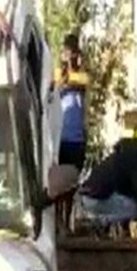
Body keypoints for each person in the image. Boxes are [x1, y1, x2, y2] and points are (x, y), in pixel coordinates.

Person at [55, 32, 89, 230]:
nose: (71, 56)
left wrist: (70, 70)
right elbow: (56, 86)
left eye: (74, 53)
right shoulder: (58, 74)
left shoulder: (81, 76)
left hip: (77, 138)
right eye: (68, 52)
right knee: (59, 184)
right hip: (61, 137)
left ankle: (67, 222)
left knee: (71, 184)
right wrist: (64, 74)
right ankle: (59, 223)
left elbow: (79, 82)